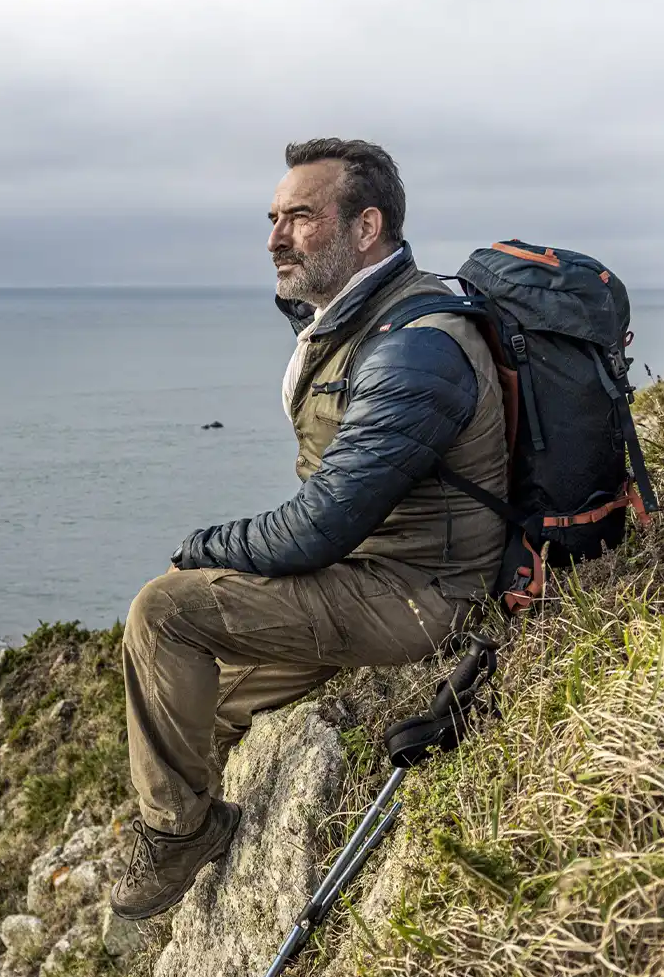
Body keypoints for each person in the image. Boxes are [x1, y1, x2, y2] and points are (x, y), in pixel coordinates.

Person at [110, 139, 508, 920]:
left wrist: (203, 548)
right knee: (205, 703)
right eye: (272, 217)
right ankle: (192, 837)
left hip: (419, 593)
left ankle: (177, 836)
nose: (274, 238)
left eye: (299, 216)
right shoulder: (355, 319)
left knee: (164, 613)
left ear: (367, 228)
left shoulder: (415, 349)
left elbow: (318, 529)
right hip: (373, 572)